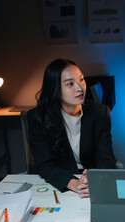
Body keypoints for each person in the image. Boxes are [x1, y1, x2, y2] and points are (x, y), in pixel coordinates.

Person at [28, 59, 116, 197]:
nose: (80, 88)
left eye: (81, 80)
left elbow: (107, 158)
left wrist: (96, 177)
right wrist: (72, 182)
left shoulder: (100, 112)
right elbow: (44, 163)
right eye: (70, 84)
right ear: (55, 89)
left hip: (90, 183)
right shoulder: (38, 117)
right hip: (59, 182)